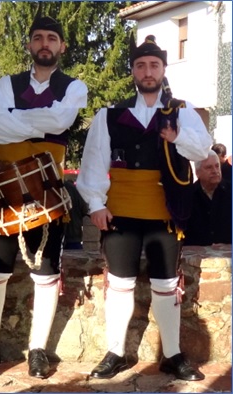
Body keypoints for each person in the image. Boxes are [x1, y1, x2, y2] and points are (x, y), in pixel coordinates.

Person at [76, 35, 212, 381]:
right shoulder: (111, 115)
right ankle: (116, 352)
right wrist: (95, 204)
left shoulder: (182, 112)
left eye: (153, 65)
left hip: (166, 211)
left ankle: (172, 355)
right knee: (119, 283)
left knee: (166, 284)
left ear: (163, 70)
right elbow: (93, 163)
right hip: (119, 210)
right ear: (133, 71)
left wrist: (176, 136)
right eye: (140, 65)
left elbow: (202, 151)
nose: (147, 71)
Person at [0, 15, 87, 379]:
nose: (44, 43)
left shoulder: (74, 86)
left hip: (48, 193)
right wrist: (41, 119)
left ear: (61, 46)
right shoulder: (7, 83)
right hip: (5, 194)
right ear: (30, 44)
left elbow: (62, 122)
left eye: (51, 38)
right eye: (38, 38)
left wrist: (16, 118)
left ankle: (37, 350)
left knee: (46, 273)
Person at [184, 150, 232, 246]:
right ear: (197, 172)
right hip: (198, 255)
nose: (215, 171)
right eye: (209, 167)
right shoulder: (188, 195)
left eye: (217, 166)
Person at [63, 179, 88, 249]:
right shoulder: (74, 189)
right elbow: (85, 209)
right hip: (73, 234)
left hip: (56, 236)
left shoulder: (50, 188)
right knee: (75, 257)